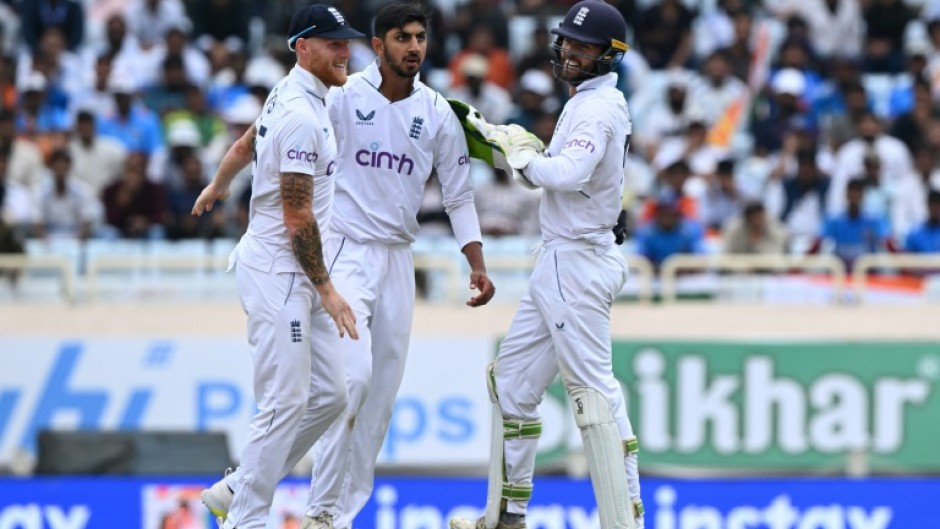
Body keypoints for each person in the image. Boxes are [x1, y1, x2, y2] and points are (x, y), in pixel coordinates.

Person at [450, 2, 644, 529]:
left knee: (594, 396)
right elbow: (577, 179)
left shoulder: (598, 108)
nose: (570, 53)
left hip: (576, 263)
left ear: (610, 54)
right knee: (511, 381)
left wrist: (518, 154)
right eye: (567, 43)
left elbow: (569, 172)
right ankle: (506, 516)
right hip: (564, 256)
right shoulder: (591, 102)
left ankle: (624, 521)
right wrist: (506, 147)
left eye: (582, 47)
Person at [308, 5, 495, 529]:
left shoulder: (438, 112)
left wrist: (476, 264)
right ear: (377, 44)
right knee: (351, 382)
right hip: (345, 250)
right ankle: (319, 512)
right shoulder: (343, 99)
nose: (414, 47)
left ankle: (339, 516)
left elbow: (458, 196)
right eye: (402, 37)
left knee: (380, 400)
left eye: (420, 37)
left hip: (397, 260)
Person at [191, 5, 364, 529]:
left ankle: (239, 487)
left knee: (333, 395)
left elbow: (246, 143)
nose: (345, 51)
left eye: (346, 41)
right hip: (278, 274)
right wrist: (329, 290)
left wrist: (219, 184)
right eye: (333, 43)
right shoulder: (299, 115)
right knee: (284, 400)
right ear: (302, 48)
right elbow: (296, 216)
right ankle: (246, 518)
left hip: (298, 272)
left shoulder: (296, 96)